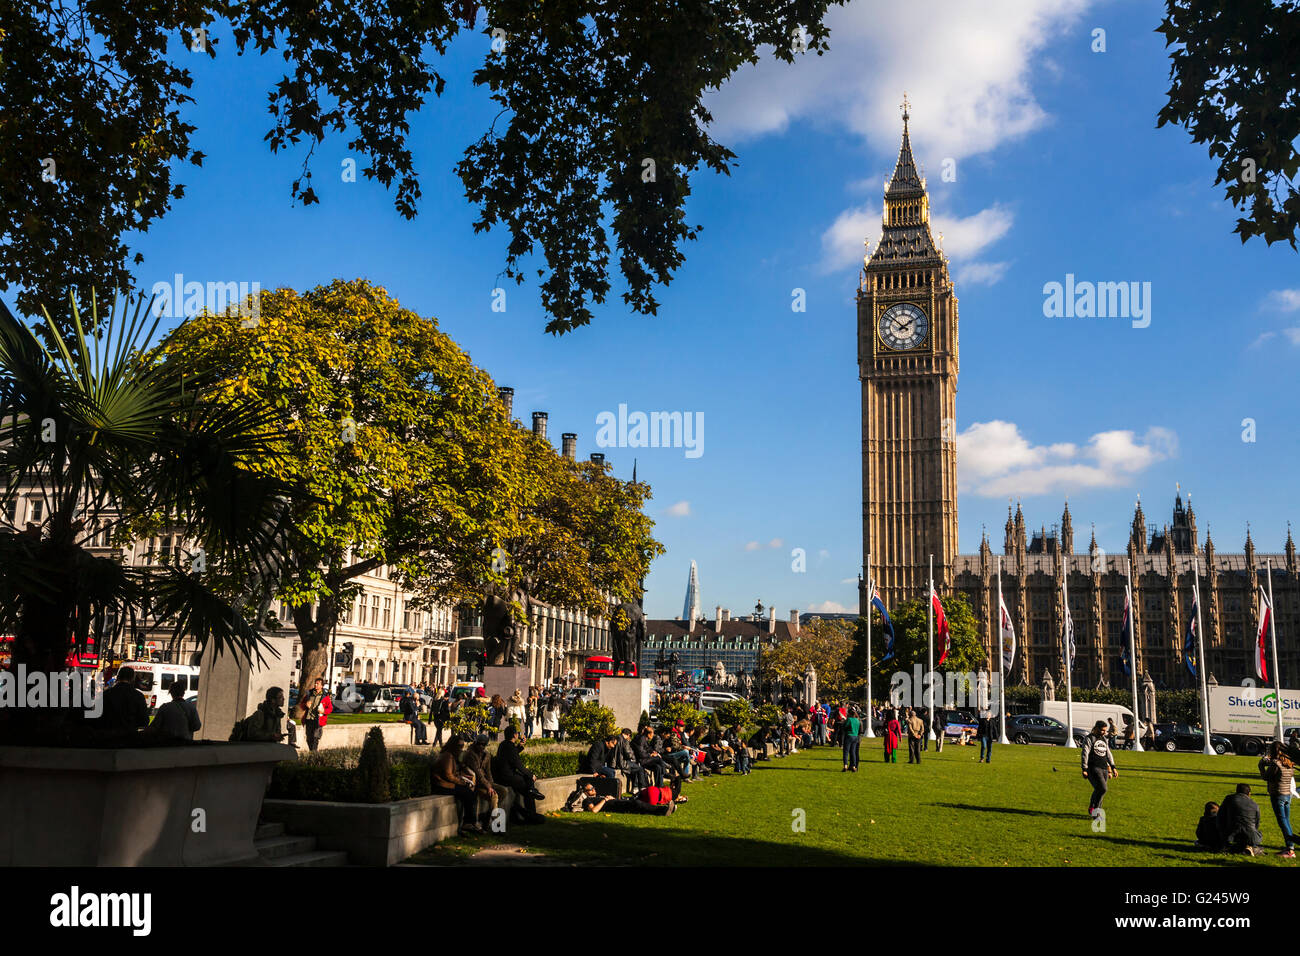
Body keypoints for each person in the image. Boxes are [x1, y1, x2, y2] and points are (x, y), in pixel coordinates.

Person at [492, 727, 546, 823]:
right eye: (517, 733)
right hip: (507, 777)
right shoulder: (510, 747)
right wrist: (531, 775)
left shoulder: (503, 745)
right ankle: (532, 814)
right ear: (514, 735)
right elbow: (518, 765)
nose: (518, 734)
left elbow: (512, 755)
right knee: (528, 788)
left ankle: (532, 793)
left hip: (503, 775)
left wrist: (520, 746)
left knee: (528, 786)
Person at [432, 735, 481, 835]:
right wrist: (461, 782)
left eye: (462, 745)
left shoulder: (452, 756)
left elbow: (455, 772)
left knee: (471, 792)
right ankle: (468, 823)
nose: (461, 748)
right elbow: (448, 775)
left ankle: (469, 822)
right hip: (442, 786)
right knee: (468, 793)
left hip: (447, 784)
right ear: (453, 745)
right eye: (459, 746)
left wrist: (465, 778)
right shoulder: (448, 756)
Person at [1258, 742, 1297, 857]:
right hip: (1287, 795)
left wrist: (1261, 766)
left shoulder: (1276, 764)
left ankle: (1290, 850)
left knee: (1283, 823)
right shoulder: (1289, 764)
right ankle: (1290, 846)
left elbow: (1266, 777)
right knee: (1286, 821)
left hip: (1277, 795)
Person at [462, 734, 504, 827]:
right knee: (494, 796)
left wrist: (491, 785)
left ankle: (487, 818)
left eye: (483, 744)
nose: (481, 746)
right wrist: (489, 787)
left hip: (485, 782)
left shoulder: (487, 755)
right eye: (479, 744)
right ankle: (496, 823)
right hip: (475, 784)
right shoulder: (470, 754)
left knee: (503, 791)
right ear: (475, 743)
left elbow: (488, 772)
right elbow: (478, 773)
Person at [1081, 720, 1117, 818]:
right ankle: (1095, 810)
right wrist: (1084, 768)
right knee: (1103, 788)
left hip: (1104, 768)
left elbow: (1108, 754)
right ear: (1096, 728)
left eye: (1105, 730)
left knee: (1100, 790)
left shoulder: (1104, 739)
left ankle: (1095, 809)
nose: (1104, 732)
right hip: (1093, 767)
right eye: (1102, 730)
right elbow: (1085, 753)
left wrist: (1112, 768)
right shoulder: (1089, 738)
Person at [1218, 783, 1264, 855]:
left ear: (1236, 791)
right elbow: (1256, 824)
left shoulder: (1229, 799)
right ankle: (1249, 848)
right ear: (1249, 793)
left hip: (1231, 835)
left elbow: (1220, 816)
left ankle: (1230, 847)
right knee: (1255, 835)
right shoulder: (1255, 805)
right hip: (1251, 836)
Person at [101, 666, 149, 733]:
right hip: (129, 735)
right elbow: (144, 721)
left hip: (109, 734)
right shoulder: (138, 696)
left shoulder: (107, 694)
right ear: (132, 679)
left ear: (118, 677)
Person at [297, 677, 333, 752]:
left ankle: (313, 754)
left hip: (318, 721)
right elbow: (302, 705)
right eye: (315, 683)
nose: (315, 685)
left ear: (322, 686)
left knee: (315, 738)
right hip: (309, 719)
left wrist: (323, 711)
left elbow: (330, 709)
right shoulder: (309, 694)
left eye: (318, 684)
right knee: (309, 738)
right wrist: (305, 705)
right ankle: (312, 753)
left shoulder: (325, 697)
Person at [841, 706, 862, 772]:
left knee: (846, 752)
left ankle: (845, 766)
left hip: (849, 735)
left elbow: (845, 726)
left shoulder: (849, 719)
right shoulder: (857, 720)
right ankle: (854, 766)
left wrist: (844, 722)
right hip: (855, 737)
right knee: (853, 752)